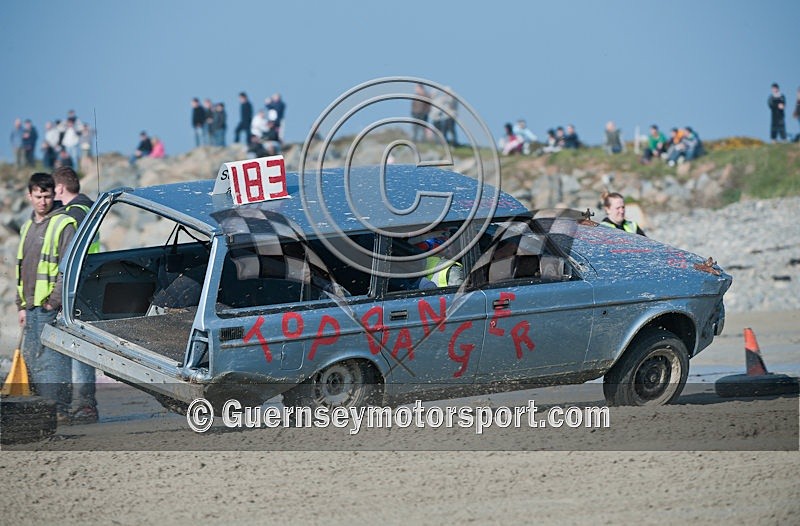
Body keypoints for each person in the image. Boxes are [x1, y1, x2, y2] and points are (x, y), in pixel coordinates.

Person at [16, 172, 78, 423]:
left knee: (53, 362)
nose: (43, 201)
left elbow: (68, 268)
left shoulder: (63, 224)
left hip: (49, 307)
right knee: (32, 360)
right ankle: (41, 411)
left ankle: (59, 410)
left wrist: (54, 301)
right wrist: (20, 305)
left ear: (55, 195)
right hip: (30, 307)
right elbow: (21, 269)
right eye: (38, 196)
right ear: (29, 196)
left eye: (47, 196)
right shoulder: (27, 227)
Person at [52, 166, 99, 423]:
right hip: (88, 283)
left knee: (77, 348)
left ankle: (83, 406)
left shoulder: (73, 214)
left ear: (59, 188)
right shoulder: (89, 208)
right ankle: (82, 404)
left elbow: (70, 257)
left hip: (77, 287)